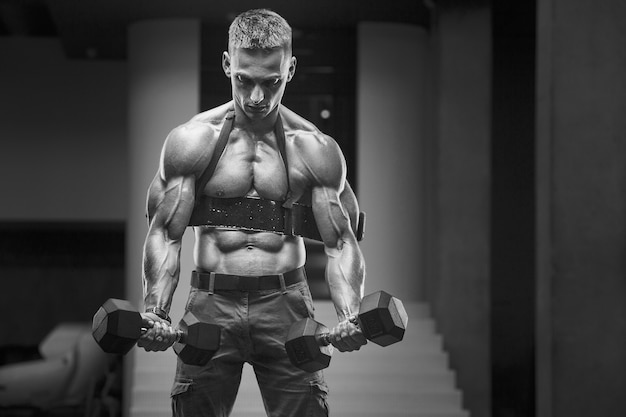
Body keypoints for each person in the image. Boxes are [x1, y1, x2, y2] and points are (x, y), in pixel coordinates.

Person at [136, 8, 367, 417]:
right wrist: (155, 310)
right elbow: (164, 233)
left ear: (290, 69)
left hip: (286, 304)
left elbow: (341, 242)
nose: (256, 97)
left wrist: (349, 316)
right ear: (228, 64)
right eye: (244, 79)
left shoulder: (313, 150)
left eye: (271, 82)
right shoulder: (191, 142)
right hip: (210, 301)